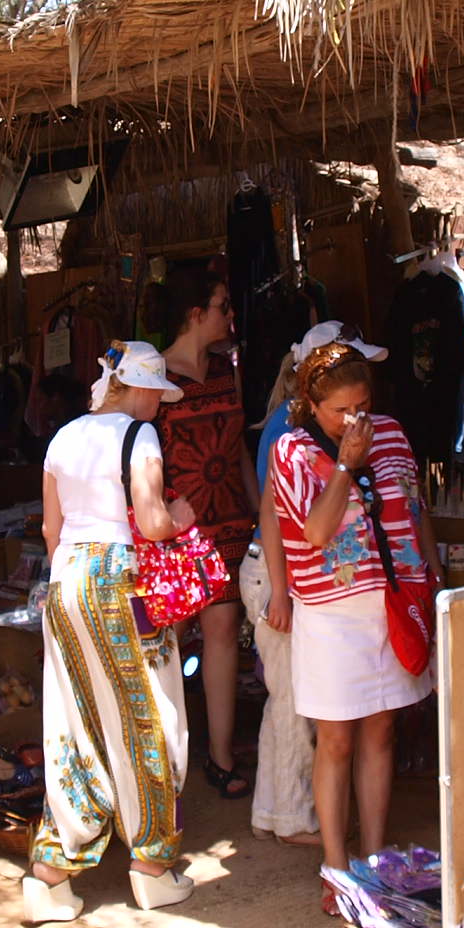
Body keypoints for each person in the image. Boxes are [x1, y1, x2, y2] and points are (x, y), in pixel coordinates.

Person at [24, 341, 197, 923]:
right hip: (121, 582)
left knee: (73, 719)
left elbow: (51, 528)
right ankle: (151, 865)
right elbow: (150, 520)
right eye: (159, 395)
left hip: (66, 579)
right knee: (148, 715)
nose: (160, 406)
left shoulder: (63, 437)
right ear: (143, 386)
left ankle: (51, 874)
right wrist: (184, 517)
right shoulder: (138, 436)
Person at [268, 340, 435, 873]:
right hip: (331, 613)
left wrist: (429, 571)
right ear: (311, 406)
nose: (354, 418)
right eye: (341, 410)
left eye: (362, 405)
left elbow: (414, 506)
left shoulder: (390, 433)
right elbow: (315, 531)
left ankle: (375, 854)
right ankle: (336, 867)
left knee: (382, 730)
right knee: (336, 738)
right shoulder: (291, 451)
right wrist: (345, 464)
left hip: (391, 602)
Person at [241, 323, 379, 847]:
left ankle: (278, 812)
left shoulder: (309, 425)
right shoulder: (289, 431)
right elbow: (273, 513)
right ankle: (292, 816)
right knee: (294, 704)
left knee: (292, 702)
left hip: (290, 574)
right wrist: (281, 589)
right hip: (280, 572)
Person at [155, 262, 258, 799]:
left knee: (221, 634)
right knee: (169, 644)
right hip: (177, 531)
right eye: (223, 305)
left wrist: (259, 510)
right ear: (196, 314)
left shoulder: (226, 369)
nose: (230, 315)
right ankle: (166, 763)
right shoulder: (156, 379)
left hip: (232, 522)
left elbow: (237, 446)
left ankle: (218, 757)